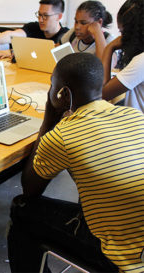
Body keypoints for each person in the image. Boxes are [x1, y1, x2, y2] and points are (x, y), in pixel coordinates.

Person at [7, 53, 144, 272]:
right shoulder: (135, 116)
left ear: (63, 94)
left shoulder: (62, 135)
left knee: (22, 209)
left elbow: (30, 189)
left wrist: (48, 123)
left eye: (52, 86)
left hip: (123, 259)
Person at [102, 0, 144, 113]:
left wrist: (109, 48)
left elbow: (101, 94)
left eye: (122, 33)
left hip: (138, 127)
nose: (120, 38)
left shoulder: (141, 62)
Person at [0, 0, 68, 50]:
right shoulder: (33, 27)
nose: (40, 19)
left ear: (59, 16)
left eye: (45, 16)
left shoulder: (66, 36)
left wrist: (10, 53)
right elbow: (11, 35)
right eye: (39, 14)